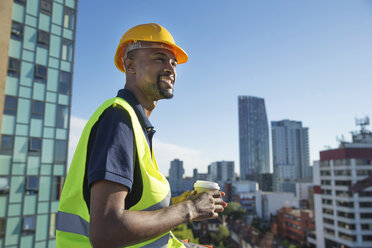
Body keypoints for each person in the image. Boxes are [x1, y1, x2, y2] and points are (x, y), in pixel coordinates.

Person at [56, 23, 227, 248]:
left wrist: (177, 205)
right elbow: (106, 231)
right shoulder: (119, 119)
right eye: (160, 58)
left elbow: (134, 207)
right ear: (130, 66)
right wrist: (190, 209)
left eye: (173, 62)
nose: (171, 68)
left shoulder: (135, 123)